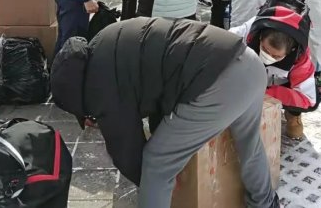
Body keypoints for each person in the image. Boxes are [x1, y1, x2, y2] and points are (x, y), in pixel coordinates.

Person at [51, 17, 280, 208]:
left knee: (157, 163)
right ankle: (265, 203)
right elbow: (160, 80)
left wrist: (154, 181)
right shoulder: (104, 41)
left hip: (218, 84)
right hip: (249, 64)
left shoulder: (100, 86)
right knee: (250, 144)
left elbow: (127, 150)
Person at [230, 0, 321, 140]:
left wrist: (266, 93)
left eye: (276, 56)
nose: (269, 57)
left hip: (277, 86)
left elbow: (308, 99)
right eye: (265, 50)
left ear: (290, 51)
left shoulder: (300, 56)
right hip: (248, 77)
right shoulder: (247, 32)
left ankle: (293, 115)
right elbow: (220, 47)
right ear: (260, 37)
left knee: (307, 97)